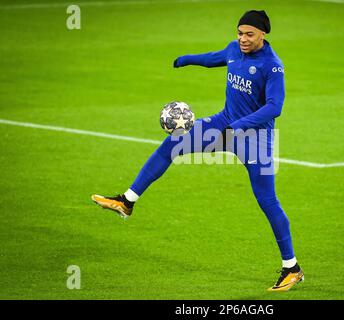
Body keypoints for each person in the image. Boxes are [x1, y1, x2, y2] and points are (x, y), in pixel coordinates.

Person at [92, 10, 304, 292]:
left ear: (263, 34)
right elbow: (212, 58)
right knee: (173, 144)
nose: (242, 39)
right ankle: (127, 201)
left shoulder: (272, 66)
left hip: (256, 139)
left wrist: (239, 126)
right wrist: (186, 60)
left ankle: (292, 268)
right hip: (223, 124)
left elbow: (274, 107)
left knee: (267, 200)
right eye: (240, 32)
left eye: (249, 34)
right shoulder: (233, 50)